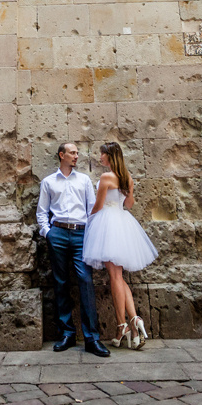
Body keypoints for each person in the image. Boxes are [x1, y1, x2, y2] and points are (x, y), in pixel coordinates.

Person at [36, 142, 110, 357]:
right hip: (57, 233)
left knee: (85, 281)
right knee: (60, 282)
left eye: (77, 153)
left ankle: (92, 339)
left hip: (80, 234)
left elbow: (91, 208)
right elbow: (42, 212)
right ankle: (67, 334)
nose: (77, 156)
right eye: (72, 153)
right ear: (62, 155)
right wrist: (47, 233)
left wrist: (90, 232)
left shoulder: (84, 180)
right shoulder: (48, 182)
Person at [82, 142, 158, 349]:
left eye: (102, 154)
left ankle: (122, 324)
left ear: (110, 156)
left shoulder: (107, 177)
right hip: (122, 222)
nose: (100, 158)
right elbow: (129, 205)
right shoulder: (128, 178)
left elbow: (97, 206)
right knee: (119, 276)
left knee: (114, 276)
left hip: (107, 223)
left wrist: (88, 221)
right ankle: (134, 321)